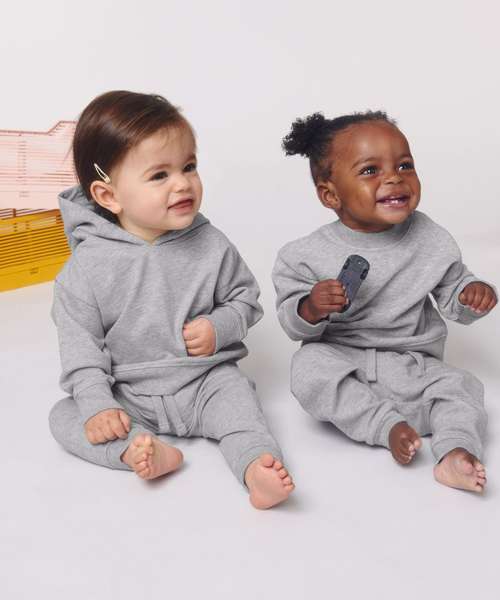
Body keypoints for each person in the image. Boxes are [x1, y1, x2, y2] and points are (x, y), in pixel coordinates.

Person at [49, 90, 294, 509]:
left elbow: (245, 298)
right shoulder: (86, 268)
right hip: (129, 394)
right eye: (159, 175)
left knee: (239, 405)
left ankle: (255, 465)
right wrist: (98, 405)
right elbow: (80, 347)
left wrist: (220, 327)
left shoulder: (211, 244)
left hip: (204, 382)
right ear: (109, 196)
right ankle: (139, 451)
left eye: (189, 167)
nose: (182, 183)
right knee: (64, 416)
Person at [272, 111, 496, 493]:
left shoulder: (430, 238)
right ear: (331, 195)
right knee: (307, 368)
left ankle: (455, 452)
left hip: (414, 367)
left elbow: (452, 290)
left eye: (404, 165)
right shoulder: (303, 255)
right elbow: (292, 324)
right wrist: (310, 307)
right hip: (346, 363)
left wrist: (469, 294)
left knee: (464, 387)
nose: (394, 178)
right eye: (370, 170)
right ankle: (385, 426)